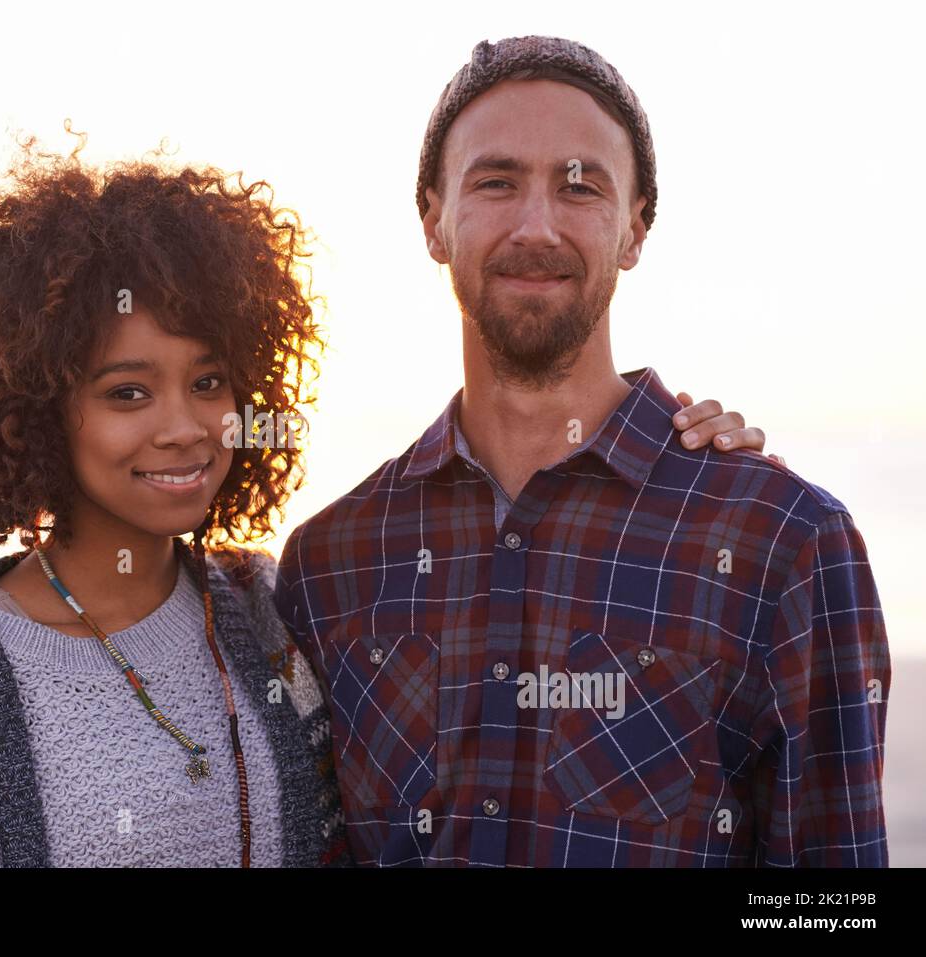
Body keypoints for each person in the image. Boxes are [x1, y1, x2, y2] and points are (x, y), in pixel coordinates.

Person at [0, 132, 764, 869]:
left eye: (213, 382)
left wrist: (669, 448)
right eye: (127, 392)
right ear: (33, 409)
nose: (184, 427)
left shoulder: (270, 615)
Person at [273, 36, 890, 867]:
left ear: (634, 230)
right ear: (433, 220)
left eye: (580, 187)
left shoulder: (782, 542)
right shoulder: (329, 561)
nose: (537, 226)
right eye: (496, 182)